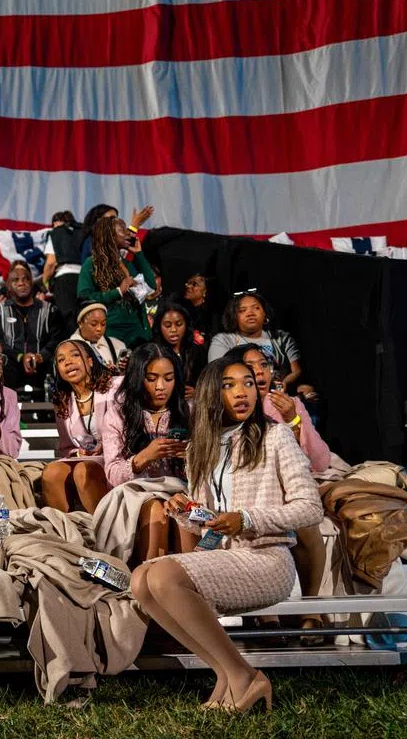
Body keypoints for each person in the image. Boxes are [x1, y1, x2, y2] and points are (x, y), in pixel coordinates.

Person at [131, 358, 322, 712]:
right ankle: (226, 675)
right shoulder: (202, 447)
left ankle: (244, 676)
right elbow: (209, 521)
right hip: (225, 555)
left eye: (248, 383)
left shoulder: (275, 435)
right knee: (141, 581)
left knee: (161, 574)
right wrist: (185, 511)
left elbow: (310, 508)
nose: (242, 392)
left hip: (267, 559)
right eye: (229, 385)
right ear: (210, 394)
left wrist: (248, 519)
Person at [226, 344, 331, 639]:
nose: (259, 371)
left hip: (289, 485)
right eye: (250, 367)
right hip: (251, 490)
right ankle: (266, 615)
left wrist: (294, 421)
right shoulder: (229, 406)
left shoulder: (287, 404)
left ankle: (310, 609)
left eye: (264, 365)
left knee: (306, 522)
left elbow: (320, 461)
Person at [100, 343, 193, 561]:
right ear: (137, 378)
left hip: (181, 490)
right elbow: (113, 474)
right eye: (151, 379)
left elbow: (211, 471)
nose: (161, 386)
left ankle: (189, 580)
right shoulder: (118, 415)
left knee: (183, 507)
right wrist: (144, 457)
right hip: (135, 493)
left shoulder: (191, 411)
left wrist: (191, 457)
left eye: (168, 379)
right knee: (155, 509)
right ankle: (147, 579)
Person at [43, 340, 120, 513]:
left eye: (75, 355)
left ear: (90, 360)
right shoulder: (63, 401)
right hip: (86, 458)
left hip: (116, 456)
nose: (68, 362)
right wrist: (80, 453)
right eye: (61, 360)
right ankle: (66, 532)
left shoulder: (115, 387)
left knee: (83, 470)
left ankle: (103, 530)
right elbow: (66, 448)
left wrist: (105, 447)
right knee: (51, 472)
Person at [207, 290, 310, 396]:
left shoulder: (281, 337)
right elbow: (217, 374)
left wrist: (285, 384)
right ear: (234, 316)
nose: (250, 313)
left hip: (279, 395)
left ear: (265, 313)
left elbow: (297, 370)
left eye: (256, 308)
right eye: (242, 310)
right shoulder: (223, 340)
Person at [0, 260, 64, 398]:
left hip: (42, 365)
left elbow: (57, 338)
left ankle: (53, 413)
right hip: (10, 366)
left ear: (32, 282)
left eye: (25, 279)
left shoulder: (50, 310)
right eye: (15, 280)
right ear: (8, 286)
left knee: (55, 364)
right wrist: (20, 357)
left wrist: (40, 357)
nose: (21, 283)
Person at [78, 216, 155, 346]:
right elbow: (84, 297)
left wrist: (139, 254)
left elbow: (150, 285)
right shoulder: (91, 264)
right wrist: (118, 291)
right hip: (110, 330)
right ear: (109, 235)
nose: (128, 234)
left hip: (136, 331)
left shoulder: (127, 264)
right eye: (123, 230)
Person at [151, 300, 205, 400]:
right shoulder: (151, 353)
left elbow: (206, 383)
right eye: (167, 325)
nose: (173, 330)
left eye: (179, 324)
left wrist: (197, 392)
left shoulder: (197, 351)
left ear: (186, 325)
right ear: (159, 326)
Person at [41, 210, 86, 324]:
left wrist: (45, 282)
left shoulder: (57, 233)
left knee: (67, 318)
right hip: (85, 278)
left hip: (65, 280)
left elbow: (51, 263)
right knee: (84, 315)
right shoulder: (85, 232)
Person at [70, 302, 127, 370]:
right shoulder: (69, 349)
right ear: (80, 323)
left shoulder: (117, 345)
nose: (99, 328)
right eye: (93, 324)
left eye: (103, 324)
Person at [180, 273, 217, 342]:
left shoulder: (210, 316)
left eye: (194, 284)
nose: (188, 286)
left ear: (205, 291)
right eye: (188, 283)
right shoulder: (181, 309)